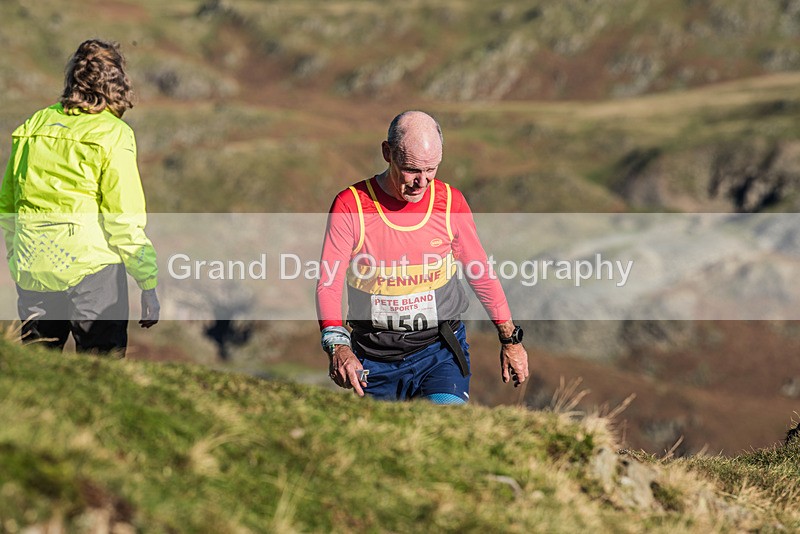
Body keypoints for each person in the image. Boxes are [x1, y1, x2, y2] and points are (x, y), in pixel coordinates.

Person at [316, 110, 528, 403]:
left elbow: (480, 273)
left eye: (432, 170)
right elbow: (329, 283)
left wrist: (510, 340)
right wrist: (338, 347)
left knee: (446, 434)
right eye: (412, 170)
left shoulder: (450, 202)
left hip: (438, 351)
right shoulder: (351, 205)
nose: (422, 182)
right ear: (387, 153)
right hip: (374, 358)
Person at [0, 39, 159, 354]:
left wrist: (17, 256)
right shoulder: (113, 134)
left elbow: (8, 205)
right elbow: (123, 220)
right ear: (117, 83)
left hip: (33, 263)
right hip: (92, 268)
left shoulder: (33, 125)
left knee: (37, 362)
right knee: (102, 364)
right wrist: (147, 283)